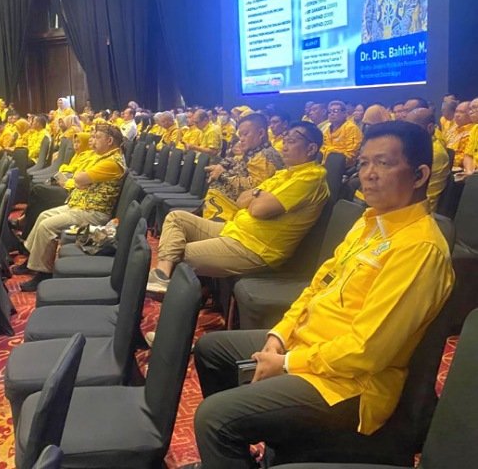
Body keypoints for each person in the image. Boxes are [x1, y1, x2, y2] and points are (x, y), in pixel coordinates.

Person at [191, 121, 453, 469]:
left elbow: (367, 352)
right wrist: (279, 335)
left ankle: (234, 440)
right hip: (311, 347)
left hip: (349, 385)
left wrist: (287, 363)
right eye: (364, 163)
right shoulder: (370, 223)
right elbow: (316, 287)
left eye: (384, 163)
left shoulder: (419, 248)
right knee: (212, 350)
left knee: (214, 418)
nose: (369, 174)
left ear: (419, 176)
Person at [147, 121, 328, 294]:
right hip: (236, 230)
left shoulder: (310, 178)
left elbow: (258, 210)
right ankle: (162, 277)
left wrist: (256, 195)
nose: (284, 147)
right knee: (177, 218)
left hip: (256, 248)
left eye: (292, 141)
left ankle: (170, 290)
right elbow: (241, 200)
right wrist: (258, 194)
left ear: (311, 149)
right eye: (285, 140)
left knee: (179, 252)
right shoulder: (284, 174)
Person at [19, 124, 126, 291]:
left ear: (110, 141)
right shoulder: (101, 157)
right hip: (81, 205)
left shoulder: (112, 162)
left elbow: (79, 178)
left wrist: (81, 179)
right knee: (43, 216)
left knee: (47, 226)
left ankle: (43, 272)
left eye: (97, 137)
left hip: (93, 213)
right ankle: (32, 260)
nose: (93, 141)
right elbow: (80, 177)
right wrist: (81, 180)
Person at [201, 113, 284, 223]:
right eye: (240, 135)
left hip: (231, 214)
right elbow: (235, 161)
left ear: (261, 133)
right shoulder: (254, 151)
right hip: (220, 204)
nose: (241, 139)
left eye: (245, 134)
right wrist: (221, 166)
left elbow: (254, 188)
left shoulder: (266, 156)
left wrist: (222, 175)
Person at [405, 108, 450, 209]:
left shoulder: (434, 153)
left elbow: (422, 195)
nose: (407, 132)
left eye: (412, 128)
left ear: (429, 128)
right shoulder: (418, 146)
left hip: (420, 210)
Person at [321, 100, 363, 168]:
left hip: (342, 166)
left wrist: (335, 162)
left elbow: (351, 153)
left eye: (335, 111)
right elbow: (323, 149)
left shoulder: (351, 128)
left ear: (344, 113)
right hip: (324, 164)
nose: (331, 114)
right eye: (329, 112)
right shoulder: (327, 129)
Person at [445, 101, 473, 170]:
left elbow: (466, 156)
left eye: (462, 112)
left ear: (470, 114)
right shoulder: (452, 128)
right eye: (456, 111)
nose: (457, 115)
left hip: (461, 168)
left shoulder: (473, 131)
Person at [461, 97, 478, 175]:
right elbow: (468, 155)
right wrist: (469, 172)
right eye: (470, 109)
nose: (470, 112)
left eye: (474, 108)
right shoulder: (475, 129)